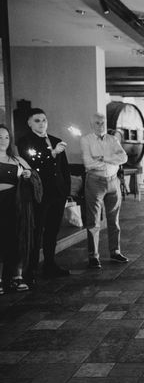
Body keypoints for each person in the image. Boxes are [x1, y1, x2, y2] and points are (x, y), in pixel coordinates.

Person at [18, 108, 71, 281]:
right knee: (37, 230)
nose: (42, 123)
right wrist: (52, 153)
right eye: (37, 120)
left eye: (44, 120)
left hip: (57, 193)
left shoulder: (56, 140)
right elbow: (32, 164)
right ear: (29, 123)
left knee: (52, 230)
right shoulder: (24, 141)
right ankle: (30, 269)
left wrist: (66, 191)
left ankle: (50, 264)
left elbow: (64, 168)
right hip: (39, 193)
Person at [80, 113, 129, 269]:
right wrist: (112, 158)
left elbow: (124, 158)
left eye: (102, 123)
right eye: (97, 123)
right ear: (91, 125)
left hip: (113, 181)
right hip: (95, 181)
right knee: (93, 221)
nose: (100, 125)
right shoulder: (85, 140)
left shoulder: (112, 139)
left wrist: (102, 158)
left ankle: (115, 252)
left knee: (114, 220)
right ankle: (93, 256)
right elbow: (88, 163)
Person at [0, 125, 33, 293]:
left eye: (6, 137)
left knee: (16, 237)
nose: (3, 140)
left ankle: (17, 276)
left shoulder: (17, 159)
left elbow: (33, 176)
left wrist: (28, 175)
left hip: (15, 203)